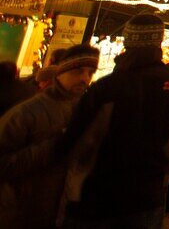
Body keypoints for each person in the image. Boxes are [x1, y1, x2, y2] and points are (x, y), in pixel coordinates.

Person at [57, 14, 169, 227]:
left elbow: (76, 143)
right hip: (148, 195)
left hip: (96, 196)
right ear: (158, 42)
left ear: (129, 41)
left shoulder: (106, 88)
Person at [0, 44, 98, 228]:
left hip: (59, 213)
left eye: (90, 73)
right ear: (61, 72)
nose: (85, 78)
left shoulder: (83, 111)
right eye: (78, 71)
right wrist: (54, 147)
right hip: (20, 213)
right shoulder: (26, 112)